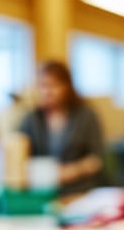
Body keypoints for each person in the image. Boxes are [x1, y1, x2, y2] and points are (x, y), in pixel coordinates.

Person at [18, 61, 105, 195]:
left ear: (66, 86)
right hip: (42, 192)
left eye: (52, 86)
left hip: (81, 190)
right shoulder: (31, 119)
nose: (47, 92)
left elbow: (97, 159)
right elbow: (20, 157)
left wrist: (73, 170)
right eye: (42, 86)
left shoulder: (86, 115)